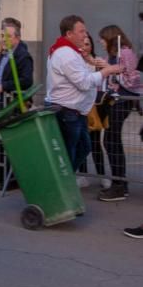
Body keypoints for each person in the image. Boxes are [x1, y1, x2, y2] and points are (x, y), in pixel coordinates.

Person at [46, 15, 121, 175]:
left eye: (85, 32)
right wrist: (106, 71)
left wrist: (90, 62)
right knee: (70, 151)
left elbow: (82, 77)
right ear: (69, 34)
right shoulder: (66, 54)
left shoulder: (71, 52)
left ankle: (66, 179)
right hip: (68, 111)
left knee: (84, 147)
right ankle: (63, 181)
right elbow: (84, 82)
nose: (85, 35)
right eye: (81, 32)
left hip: (76, 111)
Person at [0, 19, 33, 189]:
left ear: (16, 38)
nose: (2, 39)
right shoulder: (5, 53)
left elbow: (27, 80)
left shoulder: (23, 55)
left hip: (11, 102)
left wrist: (4, 86)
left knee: (10, 139)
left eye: (6, 36)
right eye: (1, 36)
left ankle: (11, 177)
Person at [97, 25, 140, 202]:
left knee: (111, 140)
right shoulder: (113, 55)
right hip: (113, 100)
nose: (100, 42)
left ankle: (120, 185)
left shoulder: (125, 53)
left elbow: (131, 78)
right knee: (111, 140)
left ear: (110, 38)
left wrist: (109, 67)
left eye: (102, 38)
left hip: (122, 101)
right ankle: (119, 183)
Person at [78, 34, 112, 189]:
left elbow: (107, 77)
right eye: (83, 44)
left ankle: (102, 176)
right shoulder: (75, 61)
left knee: (95, 143)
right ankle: (83, 175)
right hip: (79, 108)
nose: (85, 47)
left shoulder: (97, 61)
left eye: (88, 44)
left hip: (95, 107)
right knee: (81, 142)